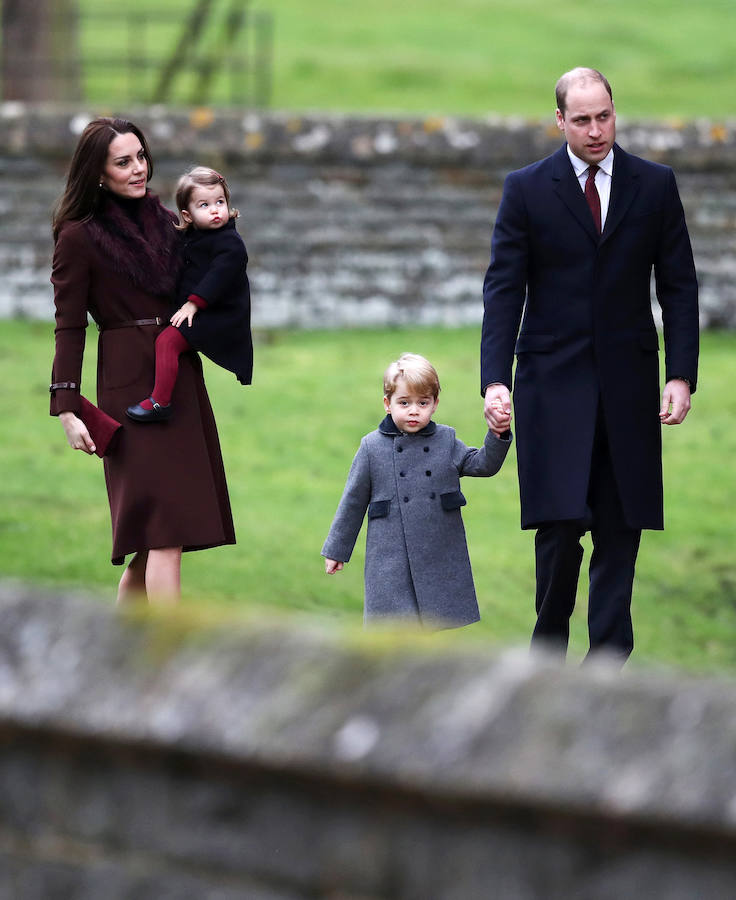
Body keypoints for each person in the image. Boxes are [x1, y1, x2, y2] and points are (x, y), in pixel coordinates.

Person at [480, 67, 699, 663]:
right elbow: (504, 288)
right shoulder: (526, 189)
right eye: (581, 119)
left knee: (620, 525)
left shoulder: (654, 185)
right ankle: (547, 656)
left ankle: (609, 665)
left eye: (604, 116)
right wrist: (494, 379)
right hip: (550, 384)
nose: (596, 129)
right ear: (559, 121)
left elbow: (678, 285)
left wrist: (680, 374)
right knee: (558, 526)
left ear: (613, 111)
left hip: (630, 385)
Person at [50, 118, 236, 605]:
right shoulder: (78, 237)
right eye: (123, 161)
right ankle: (164, 659)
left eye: (141, 157)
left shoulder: (168, 221)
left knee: (159, 536)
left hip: (178, 379)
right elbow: (69, 326)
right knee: (162, 531)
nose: (138, 169)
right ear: (97, 172)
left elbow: (217, 265)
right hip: (129, 387)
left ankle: (121, 649)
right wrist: (67, 408)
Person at [322, 353, 512, 628]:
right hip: (390, 554)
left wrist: (497, 434)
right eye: (404, 403)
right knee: (392, 629)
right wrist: (337, 550)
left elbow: (482, 465)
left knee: (432, 625)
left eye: (422, 403)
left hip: (438, 548)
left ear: (435, 404)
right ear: (387, 404)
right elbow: (353, 501)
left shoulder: (446, 440)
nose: (414, 410)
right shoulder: (371, 447)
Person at [126, 166, 253, 422]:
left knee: (167, 342)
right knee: (164, 340)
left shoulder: (230, 243)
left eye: (220, 201)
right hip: (202, 309)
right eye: (204, 205)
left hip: (218, 315)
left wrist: (193, 304)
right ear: (188, 215)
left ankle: (160, 402)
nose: (215, 209)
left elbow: (218, 277)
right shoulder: (193, 236)